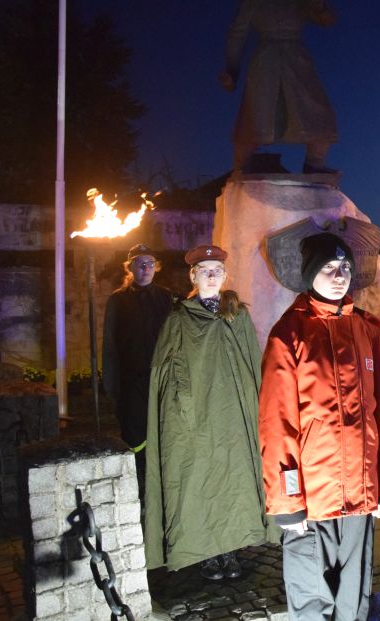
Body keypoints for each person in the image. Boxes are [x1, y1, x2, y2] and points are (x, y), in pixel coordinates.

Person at [260, 232, 380, 621]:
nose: (339, 276)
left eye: (344, 268)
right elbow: (277, 424)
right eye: (328, 268)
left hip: (361, 492)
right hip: (313, 496)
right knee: (312, 599)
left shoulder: (366, 330)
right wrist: (288, 501)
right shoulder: (289, 334)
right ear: (310, 274)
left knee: (353, 599)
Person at [144, 245, 267, 581]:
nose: (211, 276)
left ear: (225, 276)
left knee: (234, 477)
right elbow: (163, 373)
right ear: (193, 276)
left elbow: (252, 365)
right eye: (204, 270)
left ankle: (230, 549)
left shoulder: (238, 315)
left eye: (217, 270)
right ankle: (206, 552)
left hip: (234, 415)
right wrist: (179, 411)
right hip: (195, 416)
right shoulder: (178, 319)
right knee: (198, 479)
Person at [221, 0, 338, 173]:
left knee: (320, 114)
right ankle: (241, 167)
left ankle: (314, 163)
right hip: (266, 61)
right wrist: (232, 70)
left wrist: (319, 6)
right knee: (254, 117)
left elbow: (328, 21)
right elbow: (237, 34)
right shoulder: (252, 3)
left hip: (297, 58)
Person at [101, 243, 172, 501]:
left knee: (162, 432)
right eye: (139, 264)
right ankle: (137, 489)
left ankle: (161, 488)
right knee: (134, 434)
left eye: (150, 263)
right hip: (131, 383)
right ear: (129, 267)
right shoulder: (118, 300)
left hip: (161, 380)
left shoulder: (166, 298)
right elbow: (110, 344)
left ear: (156, 267)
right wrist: (112, 385)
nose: (145, 268)